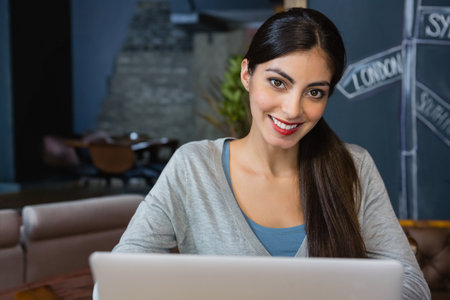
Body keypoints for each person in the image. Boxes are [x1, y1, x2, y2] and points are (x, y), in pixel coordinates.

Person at [100, 7, 430, 300]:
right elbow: (115, 281)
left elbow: (413, 286)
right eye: (277, 82)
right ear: (247, 74)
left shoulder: (354, 168)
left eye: (314, 92)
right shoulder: (193, 168)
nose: (292, 109)